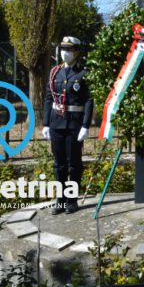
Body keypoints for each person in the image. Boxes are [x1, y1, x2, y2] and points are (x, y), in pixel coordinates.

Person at [42, 36, 94, 215]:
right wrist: (46, 124)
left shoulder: (83, 73)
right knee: (59, 164)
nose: (65, 52)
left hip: (74, 124)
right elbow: (49, 99)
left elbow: (88, 101)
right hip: (57, 123)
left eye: (69, 49)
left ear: (77, 52)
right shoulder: (55, 73)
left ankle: (72, 200)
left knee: (74, 164)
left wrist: (86, 125)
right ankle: (61, 199)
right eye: (63, 49)